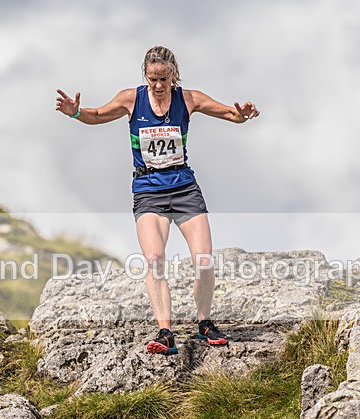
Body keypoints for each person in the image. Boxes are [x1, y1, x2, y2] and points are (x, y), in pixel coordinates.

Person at [56, 45, 259, 355]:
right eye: (153, 79)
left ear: (173, 75)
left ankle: (204, 323)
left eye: (164, 79)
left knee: (204, 260)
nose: (159, 86)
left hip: (184, 187)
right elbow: (96, 116)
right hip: (148, 189)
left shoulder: (188, 99)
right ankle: (166, 332)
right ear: (145, 76)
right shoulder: (131, 99)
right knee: (154, 259)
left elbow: (231, 114)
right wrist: (76, 113)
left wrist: (243, 116)